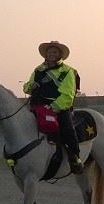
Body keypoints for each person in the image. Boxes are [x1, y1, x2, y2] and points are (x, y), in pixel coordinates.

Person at [23, 40, 84, 174]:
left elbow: (68, 94)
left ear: (59, 55)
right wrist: (29, 86)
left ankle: (75, 157)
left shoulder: (67, 71)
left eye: (55, 52)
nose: (52, 54)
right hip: (37, 106)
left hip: (58, 106)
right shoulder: (38, 70)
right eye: (50, 52)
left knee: (67, 128)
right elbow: (27, 87)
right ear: (46, 54)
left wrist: (52, 108)